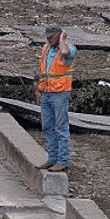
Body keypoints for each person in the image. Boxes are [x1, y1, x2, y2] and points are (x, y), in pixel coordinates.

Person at [36, 25, 76, 172]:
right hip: (46, 93)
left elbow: (65, 52)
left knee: (61, 127)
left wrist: (62, 38)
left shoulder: (69, 48)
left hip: (60, 93)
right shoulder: (46, 48)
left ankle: (63, 161)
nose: (49, 39)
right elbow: (43, 71)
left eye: (52, 37)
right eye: (47, 37)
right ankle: (52, 158)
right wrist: (39, 88)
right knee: (47, 126)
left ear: (59, 35)